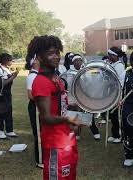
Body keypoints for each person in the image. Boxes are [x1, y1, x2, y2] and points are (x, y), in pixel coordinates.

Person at [30, 35, 82, 179]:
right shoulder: (41, 82)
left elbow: (59, 105)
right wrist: (67, 120)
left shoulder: (55, 78)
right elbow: (45, 117)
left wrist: (74, 105)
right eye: (50, 53)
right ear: (40, 57)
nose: (56, 57)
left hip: (67, 138)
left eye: (57, 53)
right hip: (56, 143)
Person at [66, 54, 101, 141]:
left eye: (79, 60)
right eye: (76, 61)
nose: (78, 62)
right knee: (75, 116)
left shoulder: (86, 70)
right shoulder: (69, 72)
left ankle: (95, 132)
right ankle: (77, 134)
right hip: (74, 98)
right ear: (73, 62)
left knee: (89, 114)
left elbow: (95, 76)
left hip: (85, 97)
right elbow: (69, 86)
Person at [25, 50, 42, 168]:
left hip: (40, 106)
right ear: (34, 62)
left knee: (43, 132)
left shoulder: (38, 74)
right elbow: (30, 95)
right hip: (35, 107)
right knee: (39, 134)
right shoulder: (32, 76)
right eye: (38, 58)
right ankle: (40, 161)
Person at [0, 53, 19, 139]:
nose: (11, 61)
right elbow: (2, 83)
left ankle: (9, 130)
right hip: (1, 94)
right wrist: (13, 77)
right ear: (5, 61)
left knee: (9, 111)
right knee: (1, 112)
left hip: (7, 94)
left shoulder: (6, 69)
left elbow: (7, 77)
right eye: (10, 60)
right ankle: (0, 131)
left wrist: (12, 74)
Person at [107, 47, 125, 143]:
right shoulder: (111, 64)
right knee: (112, 115)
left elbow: (119, 81)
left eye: (110, 55)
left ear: (114, 55)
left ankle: (119, 135)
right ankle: (114, 134)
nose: (109, 56)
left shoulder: (119, 65)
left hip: (117, 93)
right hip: (111, 93)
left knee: (117, 116)